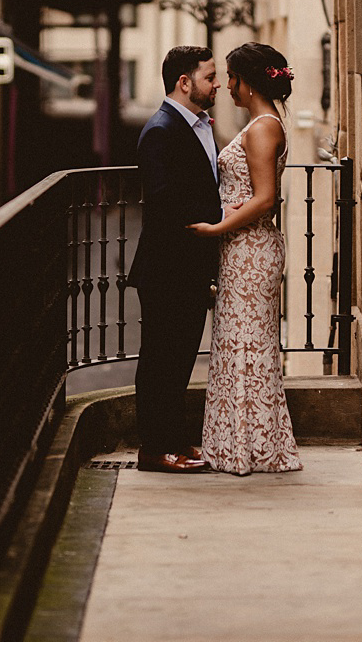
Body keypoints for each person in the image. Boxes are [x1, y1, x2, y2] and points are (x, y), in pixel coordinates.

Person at [188, 42, 304, 475]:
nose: (226, 86)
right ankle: (242, 445)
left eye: (230, 78)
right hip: (243, 248)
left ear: (246, 81)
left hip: (251, 249)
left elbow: (267, 198)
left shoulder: (262, 127)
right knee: (239, 344)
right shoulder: (261, 122)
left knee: (247, 347)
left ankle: (251, 448)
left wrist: (217, 228)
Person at [126, 45, 221, 474]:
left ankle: (178, 440)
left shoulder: (197, 124)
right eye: (210, 76)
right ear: (184, 83)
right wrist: (218, 222)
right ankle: (153, 450)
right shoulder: (160, 130)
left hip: (190, 266)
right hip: (168, 267)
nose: (217, 84)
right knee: (160, 361)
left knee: (181, 359)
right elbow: (164, 202)